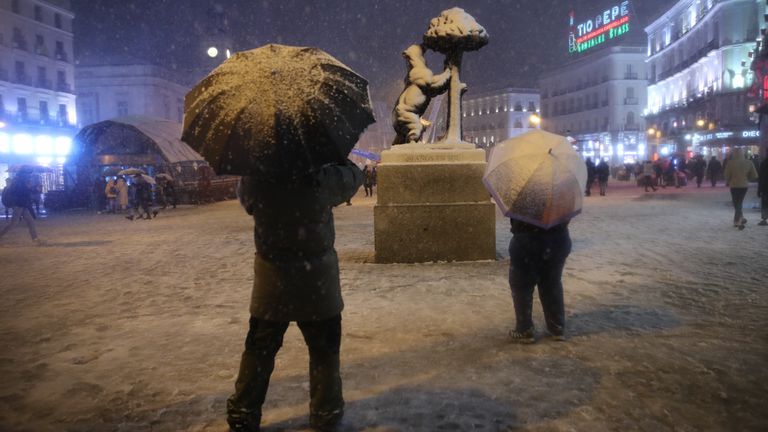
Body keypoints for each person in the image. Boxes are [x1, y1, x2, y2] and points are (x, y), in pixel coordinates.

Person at [227, 160, 363, 432]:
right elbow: (353, 179)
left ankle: (243, 411)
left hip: (272, 281)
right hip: (316, 281)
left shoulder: (257, 177)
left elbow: (245, 197)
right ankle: (326, 411)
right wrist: (338, 159)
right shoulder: (320, 177)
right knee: (323, 351)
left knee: (259, 349)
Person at [507, 217, 572, 344]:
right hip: (558, 239)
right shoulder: (562, 197)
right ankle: (557, 327)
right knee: (552, 282)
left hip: (526, 240)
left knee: (522, 285)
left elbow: (516, 218)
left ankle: (524, 329)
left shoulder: (524, 197)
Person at [0, 169, 44, 245]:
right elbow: (22, 192)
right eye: (29, 174)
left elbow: (27, 192)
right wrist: (31, 188)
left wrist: (33, 189)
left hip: (23, 205)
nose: (30, 176)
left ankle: (35, 239)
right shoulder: (19, 182)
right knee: (13, 224)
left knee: (30, 222)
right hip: (19, 205)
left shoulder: (20, 181)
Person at [724, 147, 758, 230]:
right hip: (744, 185)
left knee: (736, 203)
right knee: (739, 202)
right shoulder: (748, 162)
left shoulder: (730, 163)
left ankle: (737, 221)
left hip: (734, 185)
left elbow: (726, 175)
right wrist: (747, 178)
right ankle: (741, 218)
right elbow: (754, 175)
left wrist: (728, 181)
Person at [758, 156, 768, 226]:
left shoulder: (764, 163)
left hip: (765, 187)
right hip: (765, 186)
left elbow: (761, 177)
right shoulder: (764, 162)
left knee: (764, 203)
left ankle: (764, 219)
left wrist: (759, 189)